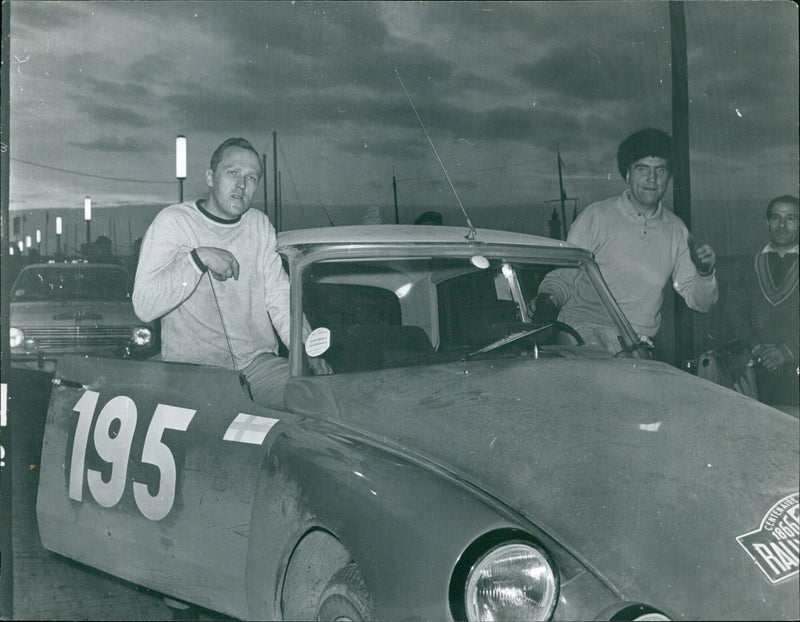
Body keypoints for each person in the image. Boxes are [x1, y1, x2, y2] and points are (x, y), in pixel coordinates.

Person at [133, 137, 330, 410]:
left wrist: (306, 347)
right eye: (232, 173)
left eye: (251, 177)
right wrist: (197, 259)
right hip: (195, 372)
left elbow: (279, 294)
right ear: (210, 177)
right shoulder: (173, 221)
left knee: (319, 402)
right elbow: (144, 305)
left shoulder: (260, 225)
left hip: (258, 366)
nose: (241, 184)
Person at [534, 128, 718, 352]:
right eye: (643, 169)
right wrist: (546, 304)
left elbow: (701, 302)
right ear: (628, 174)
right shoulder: (596, 216)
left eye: (660, 170)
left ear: (668, 177)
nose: (652, 178)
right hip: (583, 332)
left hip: (637, 341)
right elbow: (564, 276)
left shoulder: (677, 230)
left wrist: (705, 273)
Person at [746, 195, 799, 409]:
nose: (782, 225)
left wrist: (787, 352)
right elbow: (735, 314)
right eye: (776, 218)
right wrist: (758, 349)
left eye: (791, 218)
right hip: (757, 370)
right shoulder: (748, 264)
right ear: (767, 222)